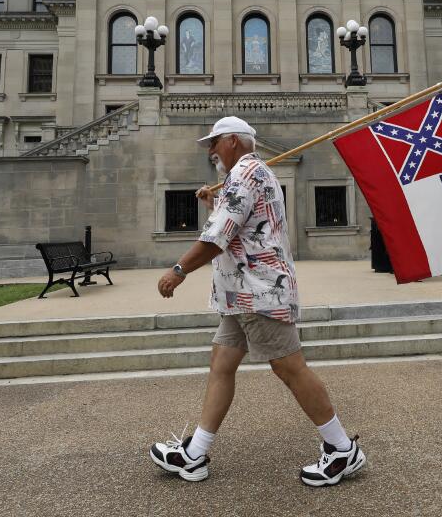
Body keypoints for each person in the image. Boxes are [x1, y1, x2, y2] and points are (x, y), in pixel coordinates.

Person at [148, 116, 367, 486]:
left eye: (215, 143)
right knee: (221, 363)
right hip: (241, 294)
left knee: (290, 368)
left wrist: (178, 271)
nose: (211, 151)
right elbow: (238, 226)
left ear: (233, 140)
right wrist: (214, 203)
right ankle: (195, 454)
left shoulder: (246, 174)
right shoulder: (249, 175)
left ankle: (342, 449)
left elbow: (218, 238)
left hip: (259, 293)